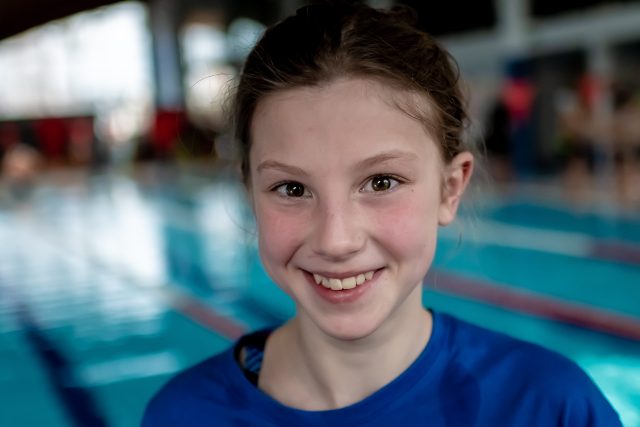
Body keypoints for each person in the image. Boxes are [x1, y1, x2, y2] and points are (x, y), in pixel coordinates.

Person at [142, 2, 622, 425]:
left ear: (450, 189)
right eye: (292, 188)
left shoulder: (549, 406)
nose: (336, 240)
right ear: (250, 193)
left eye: (381, 182)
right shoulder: (182, 415)